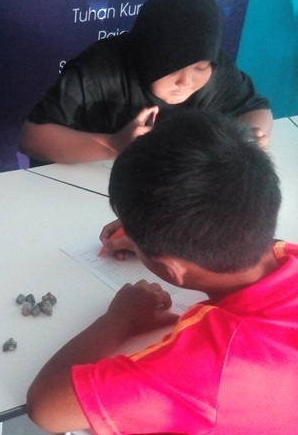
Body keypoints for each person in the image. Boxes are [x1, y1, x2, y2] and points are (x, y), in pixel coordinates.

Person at [26, 111, 298, 434]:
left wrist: (120, 319)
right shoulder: (285, 253)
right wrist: (155, 238)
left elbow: (45, 406)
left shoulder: (206, 367)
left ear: (170, 269)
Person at [18, 0, 273, 165]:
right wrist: (114, 144)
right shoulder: (98, 71)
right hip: (86, 181)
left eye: (200, 67)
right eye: (173, 68)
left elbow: (256, 109)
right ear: (150, 54)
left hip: (170, 186)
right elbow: (31, 139)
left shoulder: (214, 68)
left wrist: (250, 137)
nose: (186, 82)